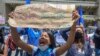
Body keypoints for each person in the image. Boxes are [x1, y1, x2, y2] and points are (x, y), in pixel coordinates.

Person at [9, 10, 80, 56]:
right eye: (41, 36)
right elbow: (17, 41)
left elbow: (68, 43)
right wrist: (12, 24)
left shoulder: (54, 52)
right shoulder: (34, 50)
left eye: (45, 36)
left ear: (51, 41)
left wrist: (74, 23)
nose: (42, 37)